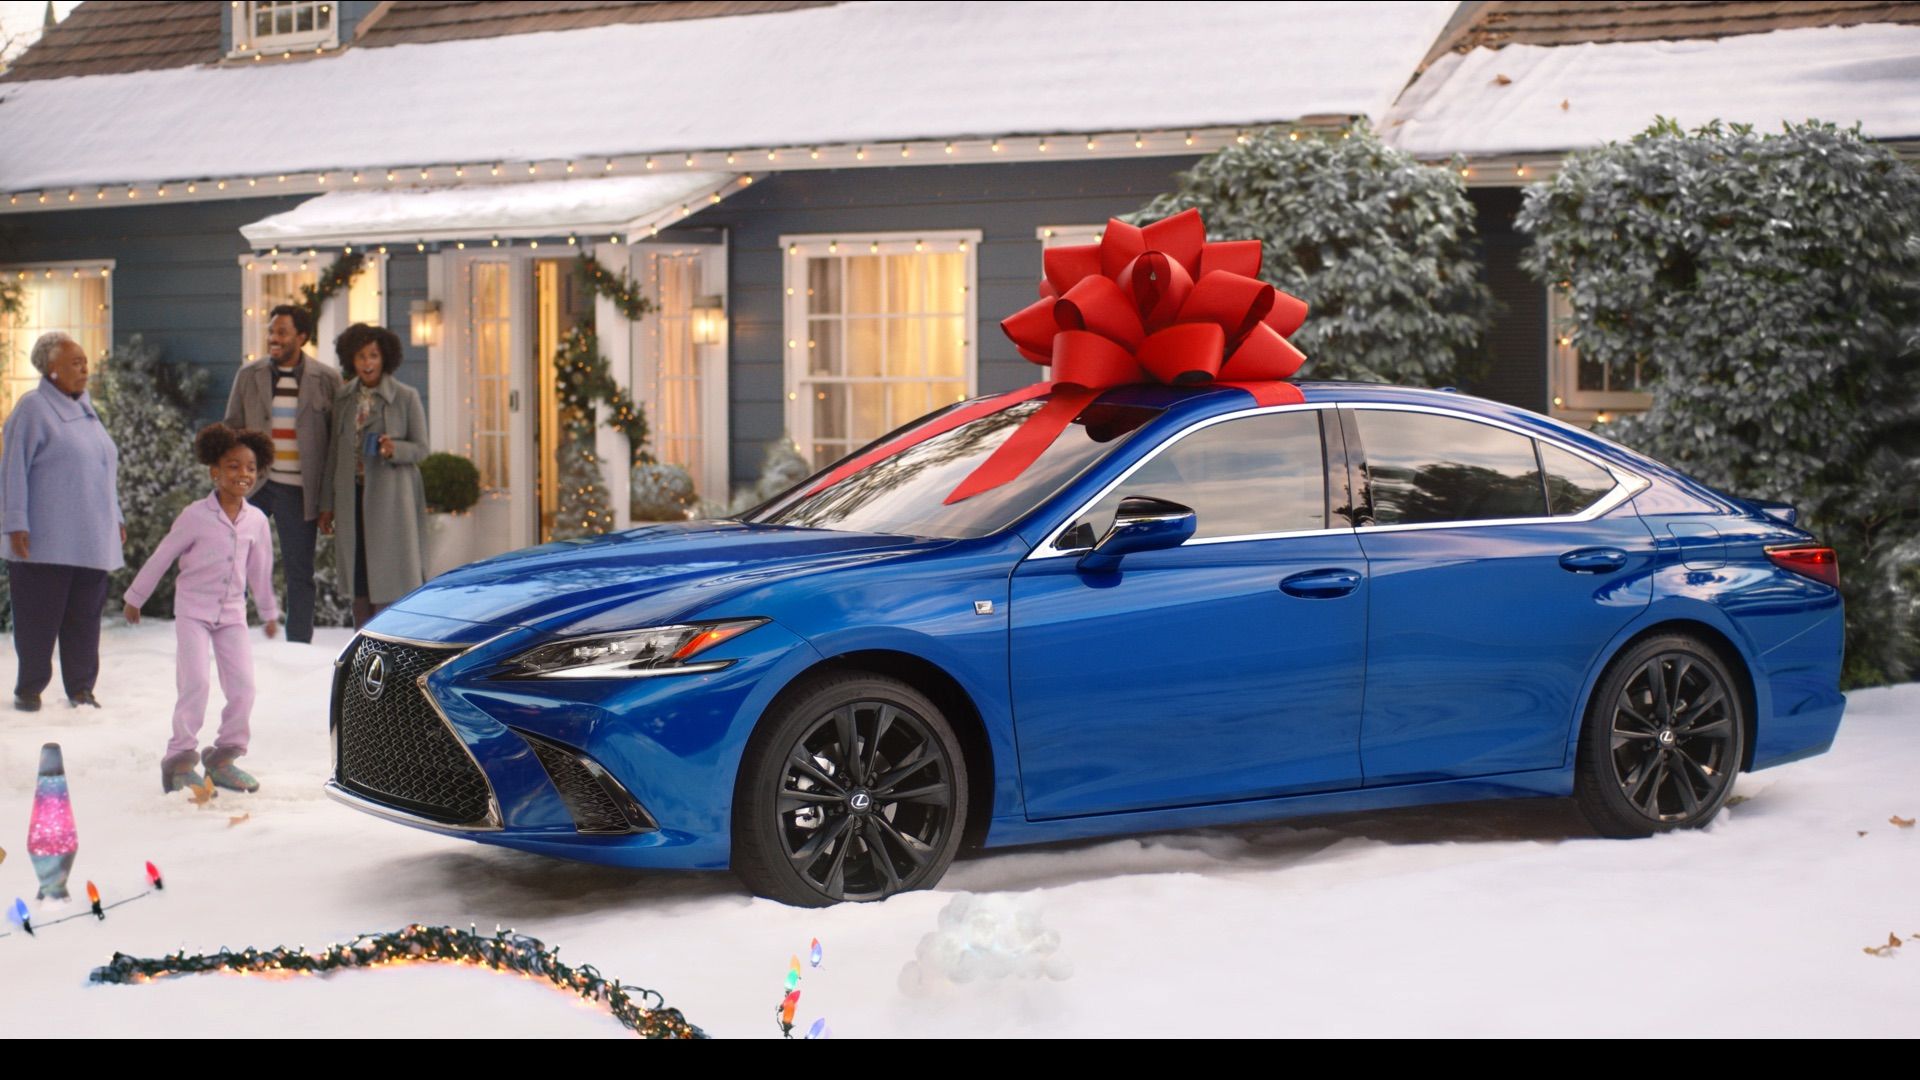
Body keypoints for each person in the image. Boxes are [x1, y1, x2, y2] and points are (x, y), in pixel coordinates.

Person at [124, 424, 279, 795]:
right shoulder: (195, 515)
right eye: (232, 466)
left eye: (250, 467)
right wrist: (135, 596)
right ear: (214, 471)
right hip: (193, 611)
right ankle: (179, 759)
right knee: (195, 683)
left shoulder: (256, 520)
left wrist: (269, 611)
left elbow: (260, 571)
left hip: (232, 616)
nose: (243, 474)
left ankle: (224, 757)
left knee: (244, 688)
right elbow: (164, 555)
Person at [0, 331, 125, 710]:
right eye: (76, 362)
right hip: (45, 538)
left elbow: (104, 470)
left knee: (84, 619)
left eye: (85, 361)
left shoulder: (87, 410)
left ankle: (81, 688)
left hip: (90, 537)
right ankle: (30, 688)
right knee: (38, 619)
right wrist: (15, 522)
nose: (85, 369)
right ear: (52, 370)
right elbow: (12, 470)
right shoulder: (33, 408)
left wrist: (115, 516)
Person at [223, 304, 340, 643]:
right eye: (271, 331)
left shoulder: (326, 379)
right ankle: (231, 636)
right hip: (256, 486)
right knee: (236, 563)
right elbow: (232, 427)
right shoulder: (249, 375)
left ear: (302, 337)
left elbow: (334, 446)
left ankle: (299, 646)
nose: (273, 338)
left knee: (299, 573)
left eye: (282, 332)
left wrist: (327, 502)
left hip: (299, 491)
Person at [318, 324, 428, 627]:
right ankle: (361, 646)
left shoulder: (406, 397)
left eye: (373, 356)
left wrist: (395, 449)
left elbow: (421, 449)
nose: (367, 363)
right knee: (358, 578)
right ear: (350, 360)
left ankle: (389, 645)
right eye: (360, 356)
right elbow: (332, 456)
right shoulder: (343, 399)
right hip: (351, 500)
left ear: (385, 358)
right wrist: (326, 505)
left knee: (389, 579)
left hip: (391, 503)